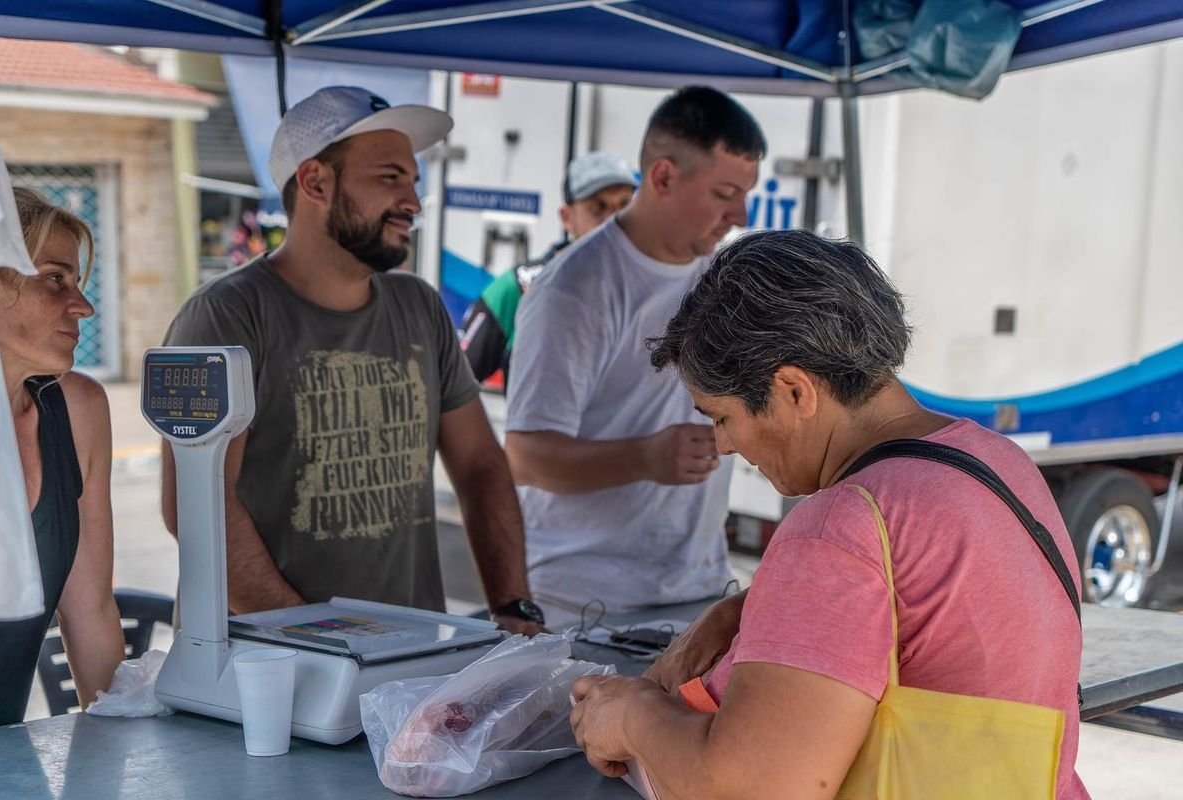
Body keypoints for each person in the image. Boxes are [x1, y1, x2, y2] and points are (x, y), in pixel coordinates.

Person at [567, 230, 1088, 799]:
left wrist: (632, 715)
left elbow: (752, 789)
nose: (723, 445)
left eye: (721, 417)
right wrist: (746, 612)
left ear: (794, 391)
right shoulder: (995, 461)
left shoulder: (842, 525)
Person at [161, 86, 544, 635]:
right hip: (263, 677)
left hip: (411, 672)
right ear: (316, 181)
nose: (412, 201)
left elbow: (481, 466)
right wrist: (320, 641)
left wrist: (513, 606)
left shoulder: (419, 307)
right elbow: (197, 508)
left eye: (413, 181)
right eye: (390, 178)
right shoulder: (224, 318)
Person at [504, 86, 766, 628]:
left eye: (745, 193)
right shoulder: (575, 289)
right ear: (664, 176)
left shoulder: (720, 277)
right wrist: (644, 458)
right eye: (724, 192)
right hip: (586, 604)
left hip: (697, 586)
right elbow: (526, 455)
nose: (738, 213)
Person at [0, 187, 124, 727]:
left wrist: (127, 755)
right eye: (53, 278)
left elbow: (89, 613)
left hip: (7, 768)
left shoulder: (78, 411)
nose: (83, 306)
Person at [458, 151, 637, 389]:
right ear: (567, 217)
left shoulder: (653, 286)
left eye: (624, 205)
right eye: (598, 207)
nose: (613, 220)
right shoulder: (518, 288)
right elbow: (454, 388)